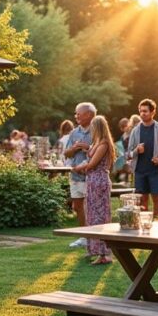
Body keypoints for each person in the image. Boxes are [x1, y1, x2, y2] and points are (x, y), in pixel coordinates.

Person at [73, 115, 115, 265]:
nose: (90, 129)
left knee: (100, 216)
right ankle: (94, 250)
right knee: (91, 215)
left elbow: (92, 164)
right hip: (92, 181)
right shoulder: (96, 142)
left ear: (98, 127)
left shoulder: (103, 144)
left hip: (99, 181)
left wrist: (80, 167)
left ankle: (104, 253)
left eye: (92, 127)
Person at [126, 99, 158, 215]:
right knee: (142, 199)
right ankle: (143, 224)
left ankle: (157, 223)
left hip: (155, 171)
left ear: (152, 112)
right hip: (139, 171)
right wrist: (136, 150)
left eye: (145, 111)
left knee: (156, 199)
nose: (142, 114)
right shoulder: (135, 131)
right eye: (141, 111)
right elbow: (128, 154)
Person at [64, 102, 95, 249]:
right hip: (76, 175)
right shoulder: (74, 133)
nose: (76, 116)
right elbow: (66, 153)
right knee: (77, 206)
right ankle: (84, 236)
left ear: (89, 115)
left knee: (92, 207)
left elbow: (105, 149)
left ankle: (95, 236)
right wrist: (74, 148)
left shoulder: (97, 130)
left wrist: (87, 147)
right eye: (75, 113)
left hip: (91, 175)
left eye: (79, 113)